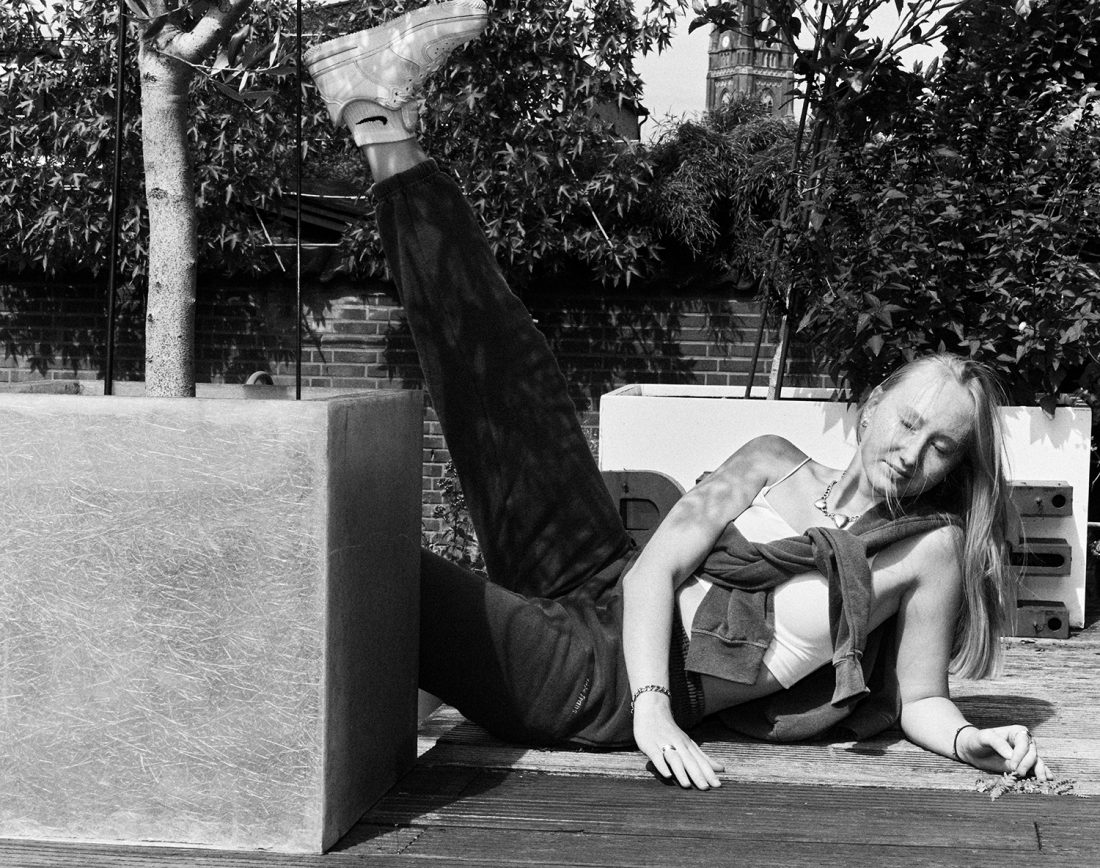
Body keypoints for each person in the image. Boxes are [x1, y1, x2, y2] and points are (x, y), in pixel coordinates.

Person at [304, 0, 1053, 790]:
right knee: (513, 377)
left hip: (598, 684)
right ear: (871, 408)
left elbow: (922, 698)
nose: (914, 450)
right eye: (908, 420)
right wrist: (657, 701)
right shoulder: (771, 461)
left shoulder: (921, 551)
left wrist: (973, 739)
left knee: (366, 564)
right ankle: (377, 118)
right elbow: (652, 571)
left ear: (952, 467)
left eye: (941, 445)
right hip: (604, 578)